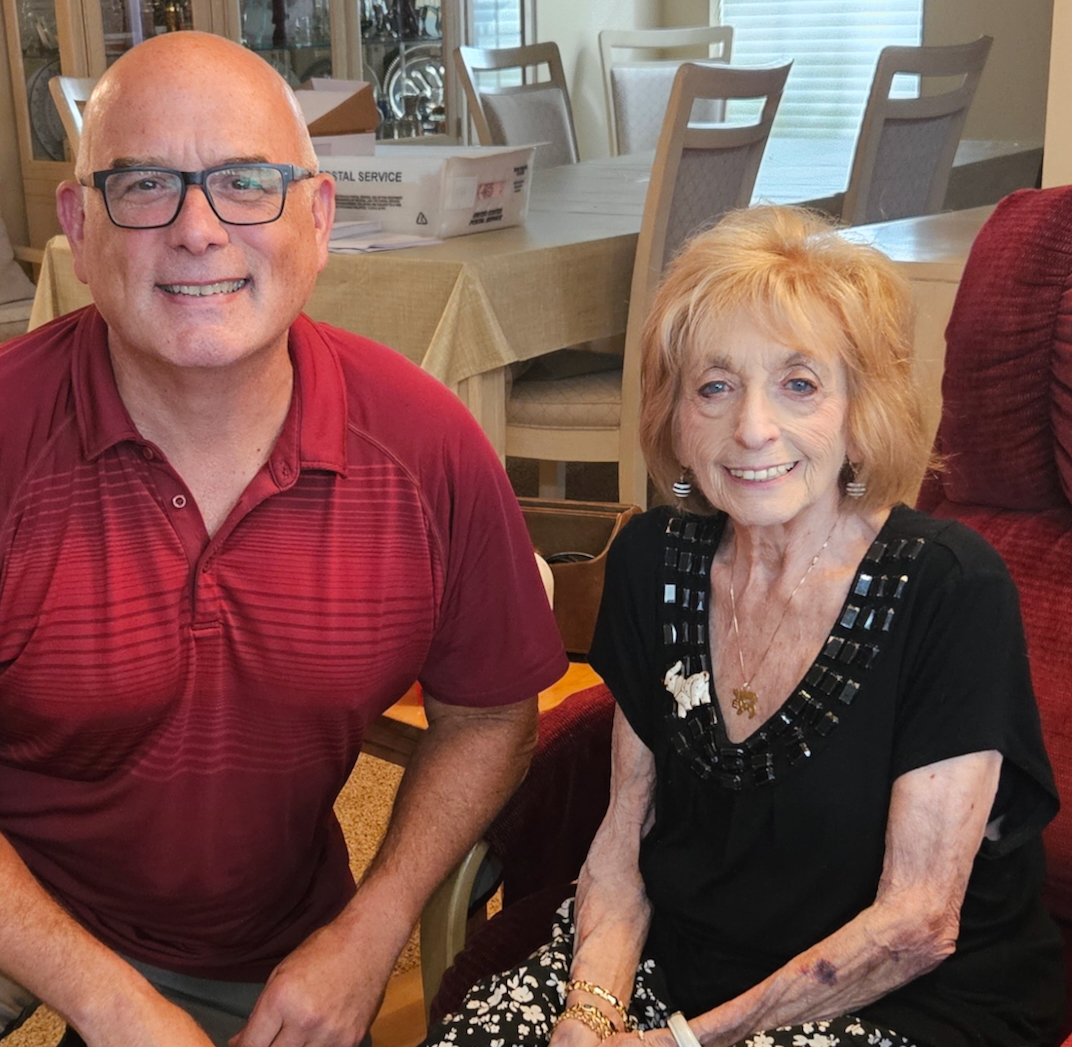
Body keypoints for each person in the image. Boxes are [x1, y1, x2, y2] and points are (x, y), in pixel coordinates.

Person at [0, 31, 568, 1047]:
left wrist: (368, 933)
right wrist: (110, 1001)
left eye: (246, 183)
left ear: (318, 218)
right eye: (145, 185)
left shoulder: (426, 447)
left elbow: (490, 716)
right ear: (79, 228)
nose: (198, 230)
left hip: (240, 924)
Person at [423, 206, 1064, 1047]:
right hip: (684, 958)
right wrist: (590, 1015)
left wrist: (679, 1044)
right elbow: (625, 831)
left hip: (902, 998)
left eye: (799, 384)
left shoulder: (950, 590)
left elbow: (917, 921)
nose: (753, 429)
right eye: (715, 386)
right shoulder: (654, 561)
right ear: (675, 416)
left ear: (860, 410)